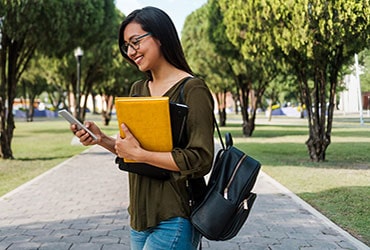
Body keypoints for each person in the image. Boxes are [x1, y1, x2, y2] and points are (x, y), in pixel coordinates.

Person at [71, 6, 214, 250]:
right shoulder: (137, 90)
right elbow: (131, 151)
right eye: (126, 46)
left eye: (136, 42)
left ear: (160, 36)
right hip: (138, 217)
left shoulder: (192, 89)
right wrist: (101, 139)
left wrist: (142, 155)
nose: (131, 51)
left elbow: (201, 159)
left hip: (174, 215)